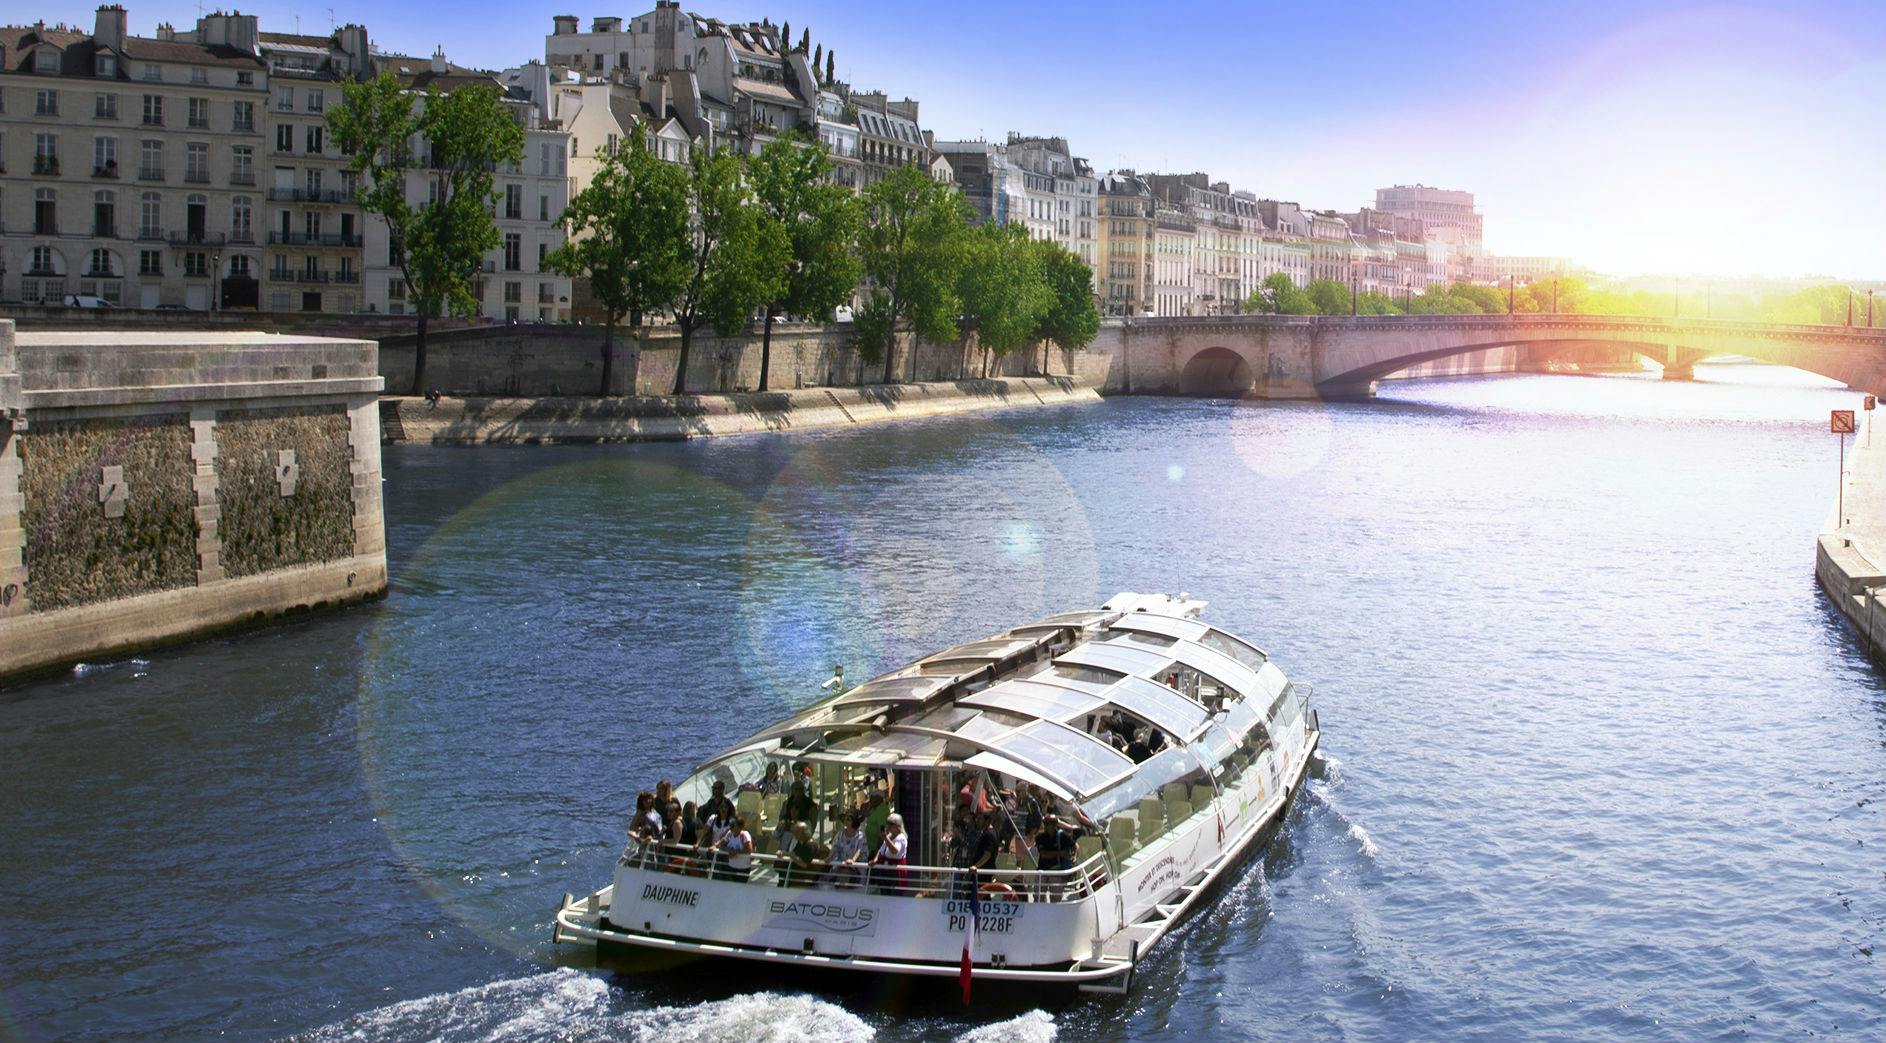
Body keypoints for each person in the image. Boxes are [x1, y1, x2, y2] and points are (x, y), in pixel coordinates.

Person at [821, 812, 868, 889]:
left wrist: (852, 860)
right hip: (841, 864)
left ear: (854, 822)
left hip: (855, 866)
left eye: (848, 819)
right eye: (845, 819)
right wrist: (829, 857)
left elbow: (859, 850)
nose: (846, 820)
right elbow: (835, 847)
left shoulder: (860, 835)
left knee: (848, 875)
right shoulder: (840, 834)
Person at [870, 812, 908, 895]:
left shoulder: (901, 838)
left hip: (896, 872)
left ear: (897, 826)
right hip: (886, 870)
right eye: (888, 824)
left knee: (894, 895)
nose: (888, 826)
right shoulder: (890, 835)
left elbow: (895, 851)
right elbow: (881, 850)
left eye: (891, 824)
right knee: (884, 892)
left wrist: (885, 837)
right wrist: (875, 859)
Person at [785, 821, 828, 888]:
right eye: (794, 832)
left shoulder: (811, 845)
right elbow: (793, 853)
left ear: (804, 832)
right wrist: (784, 853)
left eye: (797, 832)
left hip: (806, 881)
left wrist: (793, 856)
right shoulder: (800, 842)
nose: (795, 834)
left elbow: (804, 864)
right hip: (795, 879)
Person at [717, 813, 754, 881]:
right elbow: (721, 845)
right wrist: (730, 850)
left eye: (733, 825)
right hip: (731, 867)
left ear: (740, 827)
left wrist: (736, 852)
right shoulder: (729, 834)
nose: (731, 827)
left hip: (743, 869)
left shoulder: (744, 835)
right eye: (730, 824)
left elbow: (749, 850)